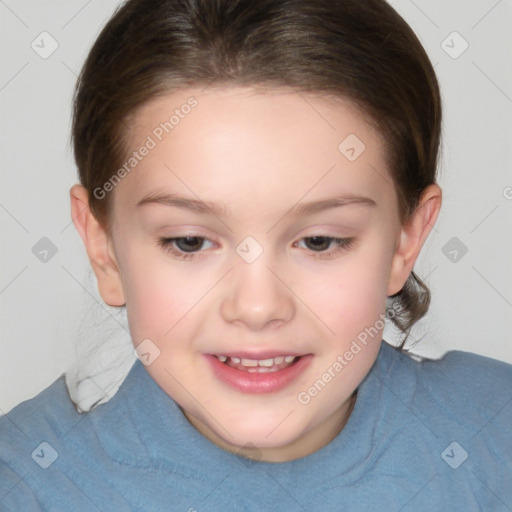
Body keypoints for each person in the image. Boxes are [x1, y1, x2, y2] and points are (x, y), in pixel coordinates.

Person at [1, 0, 511, 510]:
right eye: (189, 241)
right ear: (104, 250)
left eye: (319, 241)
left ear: (406, 239)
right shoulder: (25, 483)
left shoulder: (496, 441)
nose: (258, 306)